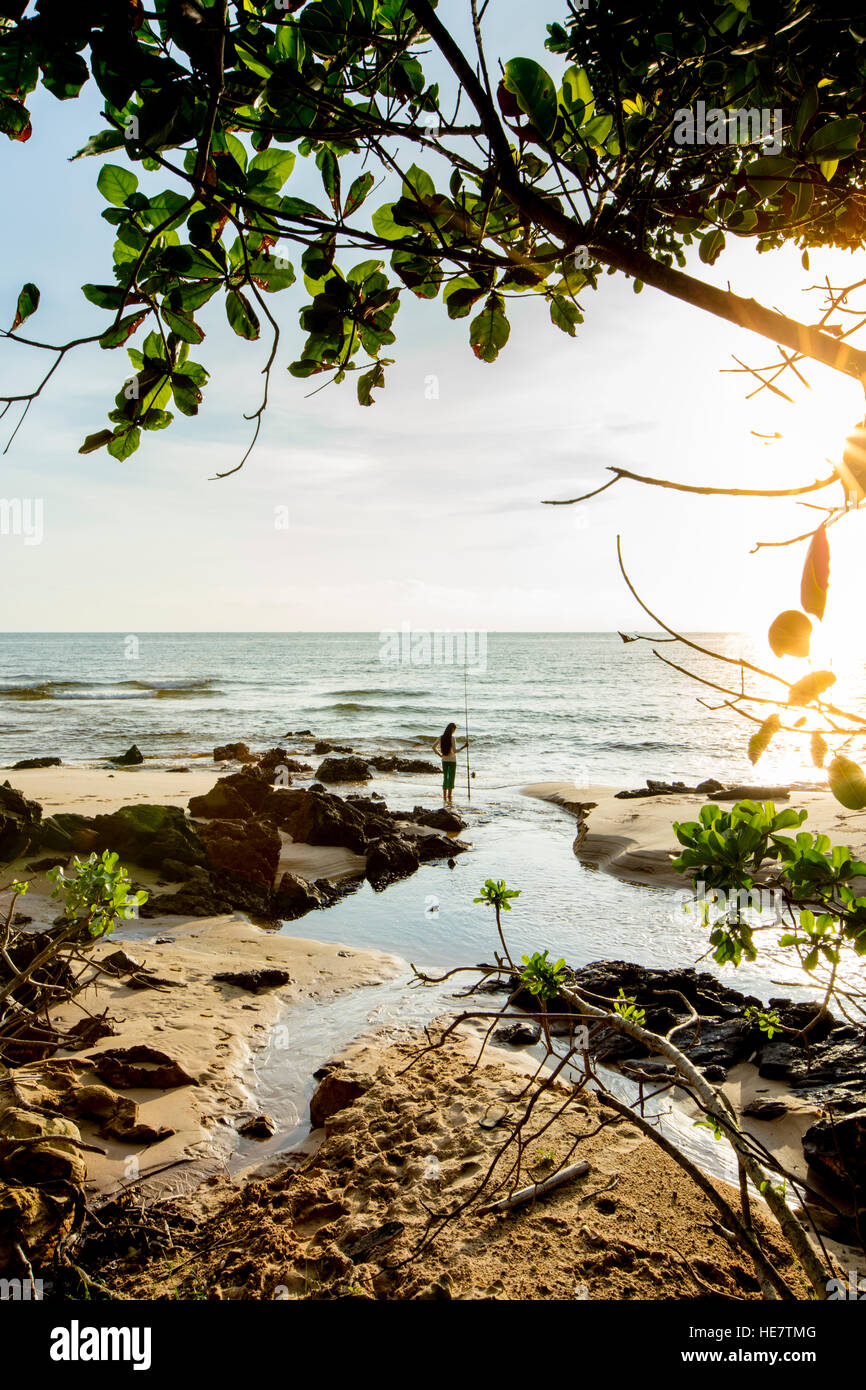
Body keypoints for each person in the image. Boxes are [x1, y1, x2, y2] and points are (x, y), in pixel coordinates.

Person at [432, 721, 468, 807]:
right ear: (452, 729)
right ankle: (449, 795)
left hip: (444, 760)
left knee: (445, 778)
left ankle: (444, 796)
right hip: (452, 761)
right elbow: (455, 751)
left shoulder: (441, 737)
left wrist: (440, 754)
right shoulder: (452, 738)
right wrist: (464, 746)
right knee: (451, 778)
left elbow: (433, 747)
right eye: (454, 730)